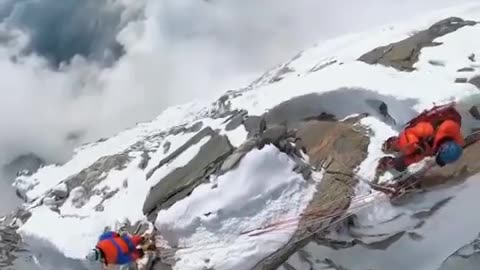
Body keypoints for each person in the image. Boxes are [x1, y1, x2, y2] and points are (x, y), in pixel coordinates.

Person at [378, 103, 465, 173]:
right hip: (417, 129)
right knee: (407, 145)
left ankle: (396, 163)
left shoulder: (448, 142)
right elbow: (410, 134)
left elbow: (422, 154)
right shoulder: (430, 130)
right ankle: (392, 145)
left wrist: (404, 162)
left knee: (416, 152)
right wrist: (413, 145)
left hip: (429, 136)